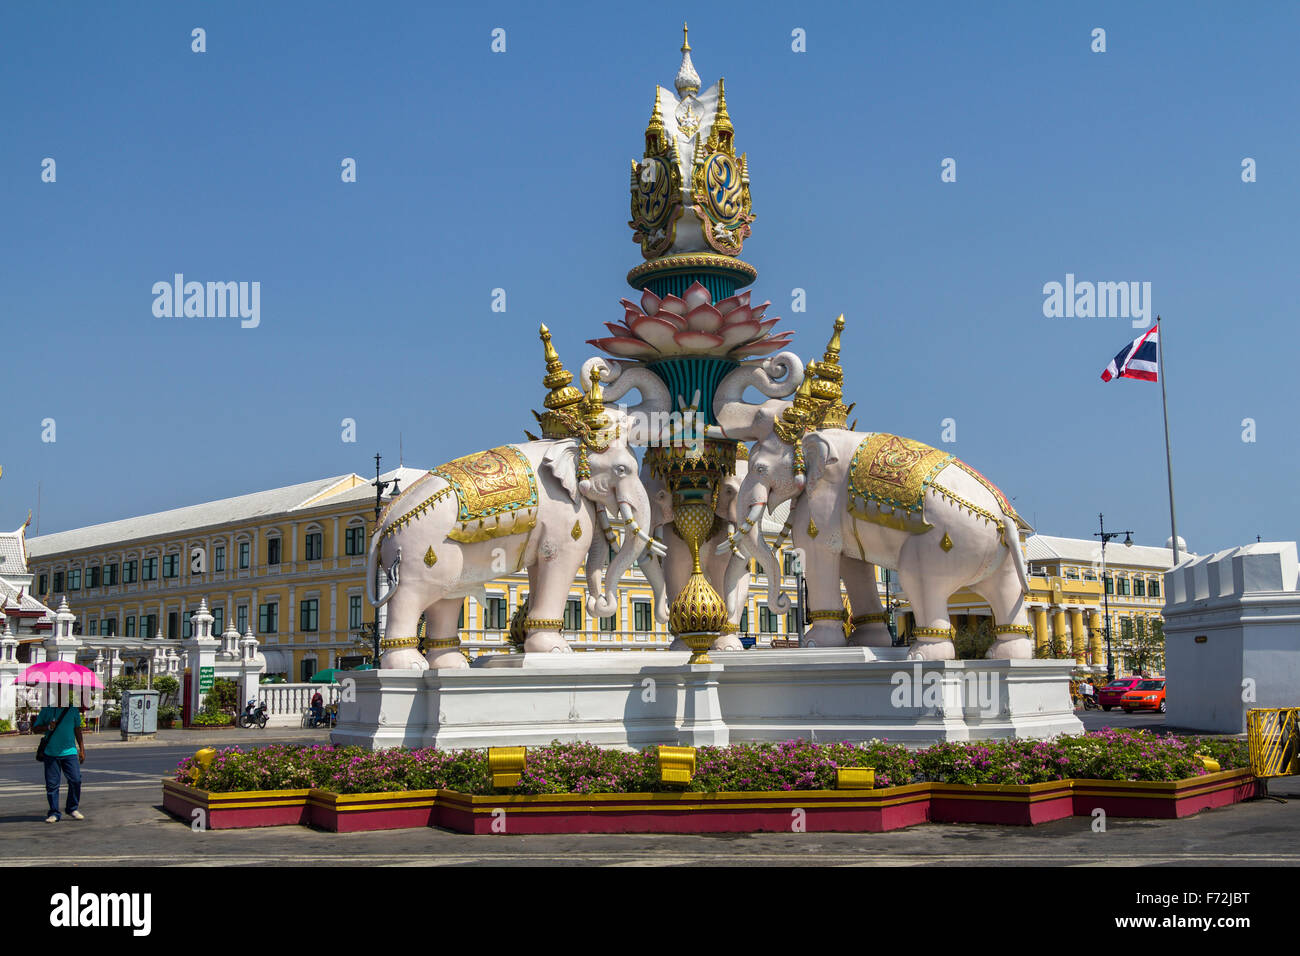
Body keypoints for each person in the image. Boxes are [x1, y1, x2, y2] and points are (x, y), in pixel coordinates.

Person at [33, 700, 85, 823]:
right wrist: (48, 727)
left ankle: (72, 808)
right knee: (52, 785)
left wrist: (82, 749)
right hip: (51, 753)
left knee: (76, 780)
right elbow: (35, 728)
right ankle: (54, 812)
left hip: (70, 752)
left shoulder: (73, 710)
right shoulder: (47, 709)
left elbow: (77, 729)